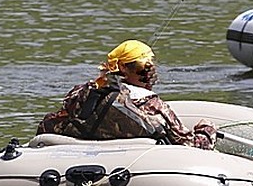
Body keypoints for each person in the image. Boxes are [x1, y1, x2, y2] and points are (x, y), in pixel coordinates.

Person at [37, 39, 217, 149]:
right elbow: (191, 145)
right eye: (147, 65)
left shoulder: (82, 92)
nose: (152, 69)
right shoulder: (153, 105)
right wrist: (206, 129)